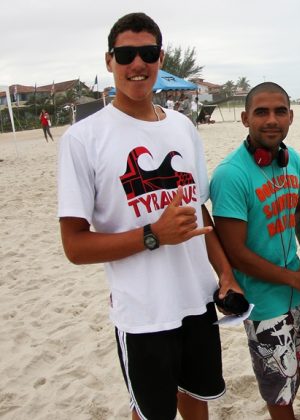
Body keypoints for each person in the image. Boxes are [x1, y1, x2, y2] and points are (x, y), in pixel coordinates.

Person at [56, 12, 242, 420]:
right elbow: (74, 246)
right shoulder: (83, 139)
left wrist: (225, 273)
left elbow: (199, 214)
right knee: (152, 412)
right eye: (126, 54)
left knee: (197, 402)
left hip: (197, 301)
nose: (137, 64)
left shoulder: (182, 126)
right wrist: (151, 235)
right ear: (109, 61)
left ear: (160, 58)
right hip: (143, 313)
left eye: (147, 53)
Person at [209, 82, 300, 420]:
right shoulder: (230, 175)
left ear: (291, 117)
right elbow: (235, 254)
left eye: (280, 111)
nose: (271, 120)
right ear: (244, 118)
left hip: (299, 290)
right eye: (261, 112)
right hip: (264, 303)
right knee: (280, 394)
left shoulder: (291, 159)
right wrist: (295, 280)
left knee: (298, 373)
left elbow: (298, 213)